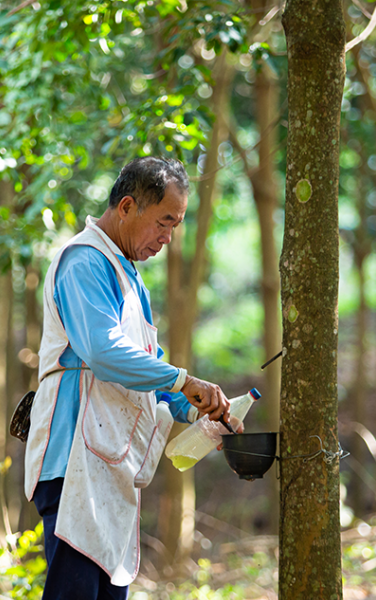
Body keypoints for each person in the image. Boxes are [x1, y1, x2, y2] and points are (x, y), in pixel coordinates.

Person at [23, 157, 235, 599]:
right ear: (126, 207)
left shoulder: (130, 279)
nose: (168, 237)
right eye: (164, 222)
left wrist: (200, 406)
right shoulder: (84, 261)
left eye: (175, 225)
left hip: (107, 466)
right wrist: (183, 381)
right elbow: (105, 352)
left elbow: (149, 366)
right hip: (74, 462)